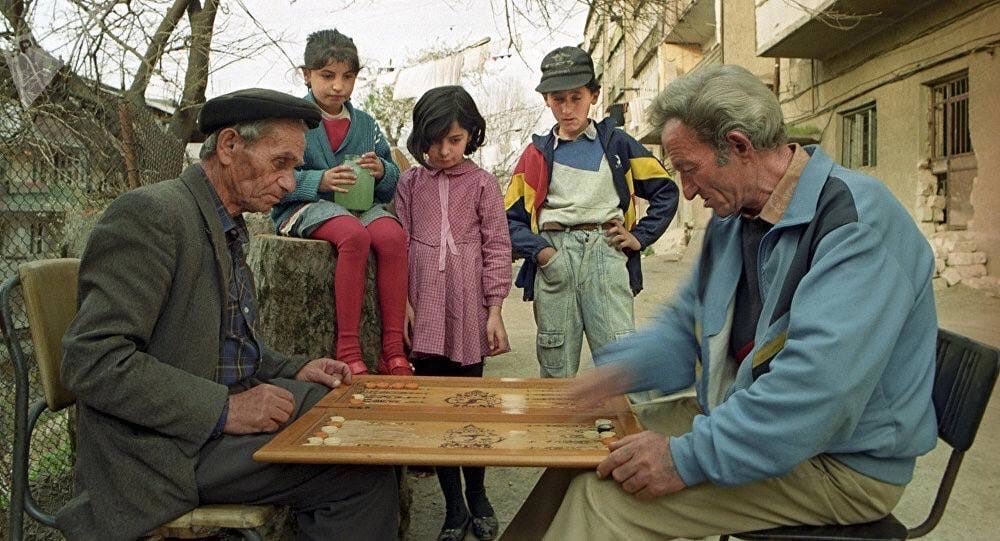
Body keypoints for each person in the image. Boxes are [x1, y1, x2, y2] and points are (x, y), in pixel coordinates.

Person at [501, 64, 939, 540]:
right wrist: (613, 374)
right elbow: (687, 323)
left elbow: (815, 393)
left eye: (690, 169)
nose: (686, 190)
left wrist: (683, 460)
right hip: (751, 413)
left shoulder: (855, 225)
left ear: (738, 146)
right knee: (592, 443)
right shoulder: (738, 216)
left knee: (607, 498)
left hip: (840, 462)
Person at [58, 88, 399, 540]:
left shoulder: (224, 220)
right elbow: (92, 362)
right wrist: (225, 408)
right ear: (230, 145)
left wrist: (299, 368)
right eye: (280, 163)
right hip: (162, 452)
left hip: (205, 425)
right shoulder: (152, 215)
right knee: (360, 469)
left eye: (295, 167)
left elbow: (225, 345)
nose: (288, 182)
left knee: (352, 415)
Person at [504, 45, 679, 379]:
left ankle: (620, 430)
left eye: (576, 97)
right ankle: (557, 429)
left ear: (594, 95)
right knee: (555, 356)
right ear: (546, 100)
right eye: (558, 99)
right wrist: (542, 253)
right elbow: (509, 218)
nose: (567, 108)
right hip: (555, 257)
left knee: (619, 356)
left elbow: (665, 190)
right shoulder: (535, 155)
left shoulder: (617, 145)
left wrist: (639, 237)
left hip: (606, 252)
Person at [394, 85, 512, 541]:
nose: (444, 151)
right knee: (434, 410)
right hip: (423, 303)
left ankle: (479, 494)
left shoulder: (482, 183)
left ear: (471, 137)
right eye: (434, 140)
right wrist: (402, 301)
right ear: (419, 136)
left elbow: (498, 246)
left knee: (469, 406)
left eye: (455, 140)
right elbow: (399, 244)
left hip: (466, 305)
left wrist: (495, 308)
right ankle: (454, 506)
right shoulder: (409, 184)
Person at [271, 28, 411, 376]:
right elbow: (275, 175)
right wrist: (319, 179)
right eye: (327, 76)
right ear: (306, 75)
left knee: (393, 238)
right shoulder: (290, 120)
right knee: (354, 236)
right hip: (303, 207)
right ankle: (348, 348)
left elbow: (390, 183)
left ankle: (392, 349)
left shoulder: (365, 124)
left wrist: (381, 171)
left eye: (348, 77)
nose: (338, 86)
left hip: (360, 206)